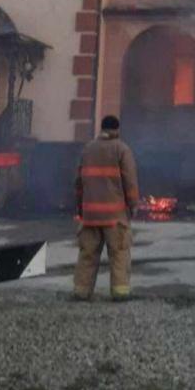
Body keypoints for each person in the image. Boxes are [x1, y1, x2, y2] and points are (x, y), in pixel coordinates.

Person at [73, 114, 139, 301]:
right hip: (114, 217)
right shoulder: (122, 149)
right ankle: (119, 293)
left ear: (101, 129)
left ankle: (81, 291)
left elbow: (78, 182)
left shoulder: (87, 149)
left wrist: (80, 208)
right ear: (117, 130)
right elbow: (130, 181)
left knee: (87, 255)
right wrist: (133, 205)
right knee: (119, 254)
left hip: (91, 215)